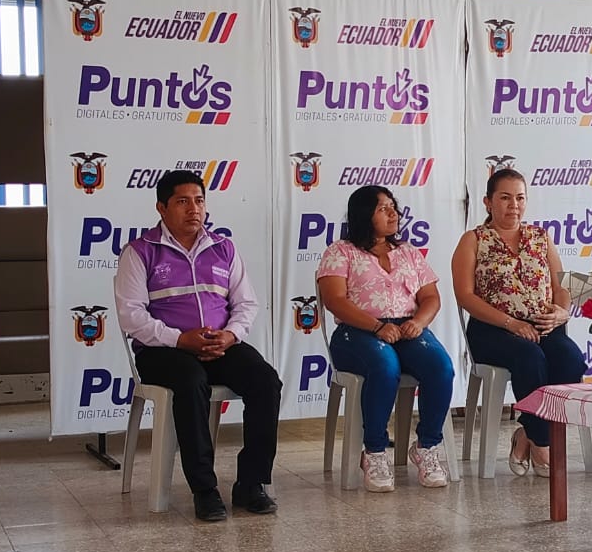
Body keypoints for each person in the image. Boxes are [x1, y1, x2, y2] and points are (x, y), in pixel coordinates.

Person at [115, 169, 281, 521]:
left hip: (220, 344)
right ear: (162, 208)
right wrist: (179, 339)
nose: (194, 209)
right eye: (183, 201)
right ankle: (204, 490)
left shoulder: (223, 248)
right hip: (162, 351)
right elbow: (132, 316)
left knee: (265, 380)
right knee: (191, 383)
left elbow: (246, 304)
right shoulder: (140, 252)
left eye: (199, 200)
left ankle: (251, 483)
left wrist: (230, 335)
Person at [317, 185, 454, 492]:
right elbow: (335, 300)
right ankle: (375, 451)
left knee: (440, 367)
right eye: (383, 209)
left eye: (393, 207)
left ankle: (426, 447)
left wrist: (418, 322)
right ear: (364, 214)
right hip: (357, 331)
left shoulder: (408, 252)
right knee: (384, 366)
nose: (393, 214)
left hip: (407, 328)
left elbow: (431, 297)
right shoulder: (340, 251)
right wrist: (377, 327)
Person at [452, 167, 586, 476]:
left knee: (571, 360)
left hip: (542, 324)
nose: (514, 205)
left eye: (520, 198)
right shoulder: (473, 240)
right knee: (530, 357)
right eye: (505, 198)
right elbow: (465, 296)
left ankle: (527, 431)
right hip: (493, 329)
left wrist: (562, 312)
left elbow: (561, 285)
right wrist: (511, 324)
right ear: (488, 202)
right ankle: (542, 444)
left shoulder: (540, 237)